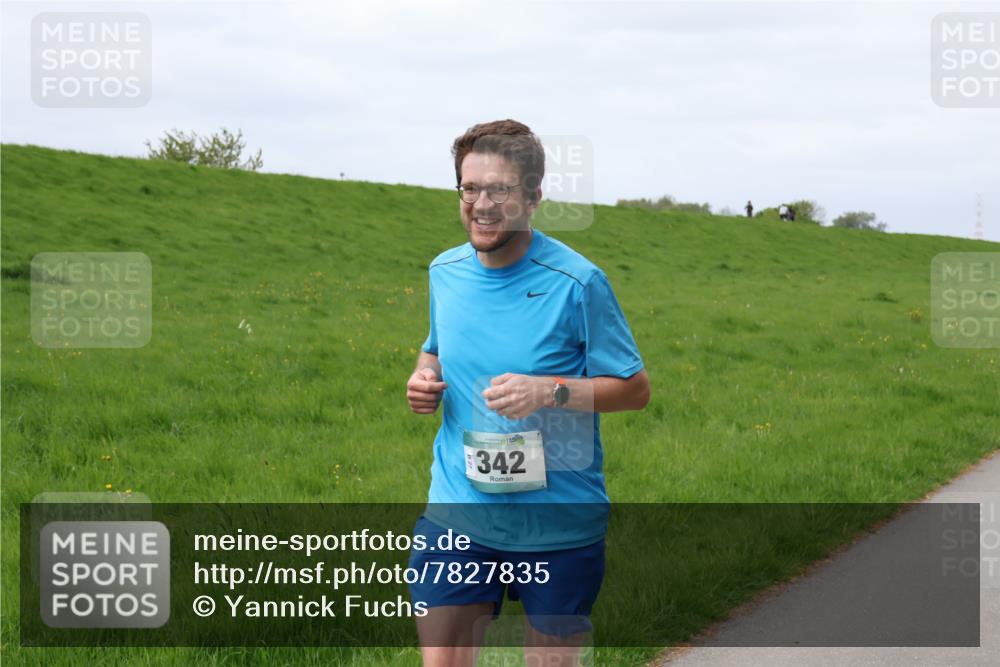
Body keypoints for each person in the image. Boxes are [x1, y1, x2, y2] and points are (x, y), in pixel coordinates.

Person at [405, 119, 650, 667]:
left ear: (534, 197)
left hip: (558, 522)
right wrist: (423, 380)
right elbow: (436, 347)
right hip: (459, 512)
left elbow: (634, 390)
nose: (482, 204)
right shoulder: (445, 271)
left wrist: (549, 391)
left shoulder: (579, 283)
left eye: (500, 190)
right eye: (470, 188)